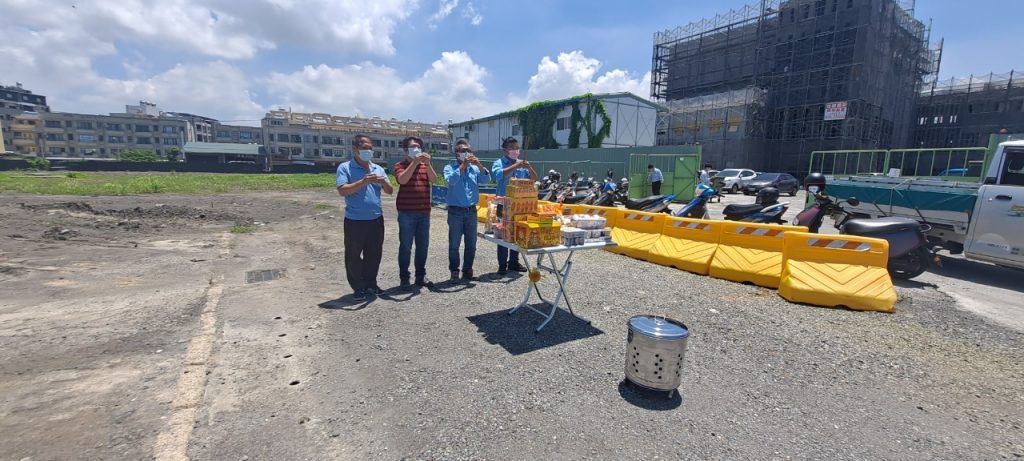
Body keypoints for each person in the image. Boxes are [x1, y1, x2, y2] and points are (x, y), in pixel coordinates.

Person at [336, 135, 394, 301]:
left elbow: (390, 191)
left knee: (374, 253)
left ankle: (371, 283)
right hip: (355, 220)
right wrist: (363, 181)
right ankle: (358, 286)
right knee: (353, 254)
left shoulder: (377, 168)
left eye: (370, 148)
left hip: (376, 219)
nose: (368, 151)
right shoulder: (345, 168)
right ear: (355, 149)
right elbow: (342, 190)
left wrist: (383, 182)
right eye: (364, 148)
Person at [393, 136, 437, 289]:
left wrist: (428, 163)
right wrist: (415, 163)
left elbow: (434, 179)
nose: (417, 149)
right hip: (406, 213)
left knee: (423, 246)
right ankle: (404, 277)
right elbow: (402, 180)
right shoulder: (400, 165)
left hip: (424, 213)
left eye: (419, 146)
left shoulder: (425, 166)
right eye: (413, 147)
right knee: (406, 246)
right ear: (405, 150)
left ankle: (420, 276)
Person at [444, 139, 489, 281]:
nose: (466, 153)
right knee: (454, 244)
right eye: (463, 151)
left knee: (471, 244)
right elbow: (451, 180)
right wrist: (463, 165)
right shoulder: (449, 168)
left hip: (471, 211)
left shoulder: (474, 169)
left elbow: (486, 179)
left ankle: (467, 270)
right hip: (455, 212)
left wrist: (479, 165)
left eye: (468, 150)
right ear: (456, 153)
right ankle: (454, 270)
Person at [492, 136, 537, 275]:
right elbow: (499, 175)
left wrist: (529, 168)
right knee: (503, 234)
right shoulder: (499, 162)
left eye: (517, 148)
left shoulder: (521, 164)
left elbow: (533, 179)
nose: (515, 150)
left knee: (517, 233)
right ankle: (502, 264)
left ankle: (514, 262)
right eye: (512, 148)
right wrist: (516, 165)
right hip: (503, 204)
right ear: (504, 150)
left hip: (519, 205)